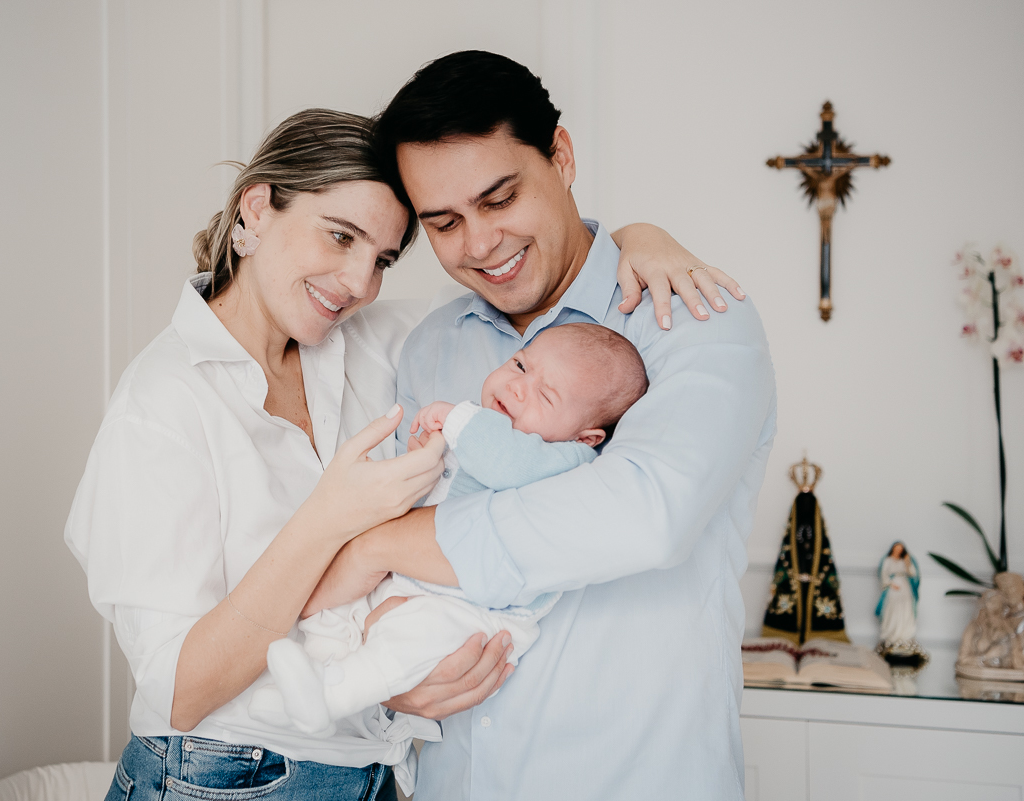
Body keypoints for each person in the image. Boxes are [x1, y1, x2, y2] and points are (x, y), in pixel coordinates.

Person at [63, 106, 745, 801]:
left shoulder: (376, 339)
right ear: (257, 208)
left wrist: (637, 238)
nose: (358, 283)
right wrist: (332, 525)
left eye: (383, 259)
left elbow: (542, 307)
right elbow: (179, 691)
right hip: (220, 775)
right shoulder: (161, 404)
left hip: (371, 774)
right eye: (340, 236)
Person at [310, 51, 778, 800]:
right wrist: (392, 671)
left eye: (499, 199)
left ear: (560, 156)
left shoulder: (691, 319)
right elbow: (403, 560)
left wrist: (381, 547)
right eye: (444, 223)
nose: (479, 244)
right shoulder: (431, 348)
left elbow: (644, 514)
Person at [250, 323, 648, 734]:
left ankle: (333, 695)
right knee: (342, 609)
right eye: (520, 365)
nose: (517, 387)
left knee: (411, 638)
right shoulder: (489, 431)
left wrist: (458, 418)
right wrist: (426, 461)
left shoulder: (566, 460)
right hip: (415, 579)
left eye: (545, 395)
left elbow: (505, 463)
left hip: (474, 613)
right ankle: (310, 677)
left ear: (585, 437)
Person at [876, 541, 920, 647]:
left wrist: (907, 562)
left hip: (905, 587)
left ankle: (904, 635)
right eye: (896, 548)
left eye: (900, 549)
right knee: (892, 608)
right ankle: (891, 634)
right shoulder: (888, 560)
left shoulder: (905, 560)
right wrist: (891, 583)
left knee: (905, 608)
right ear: (893, 549)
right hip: (893, 587)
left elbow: (913, 573)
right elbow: (883, 574)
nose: (898, 551)